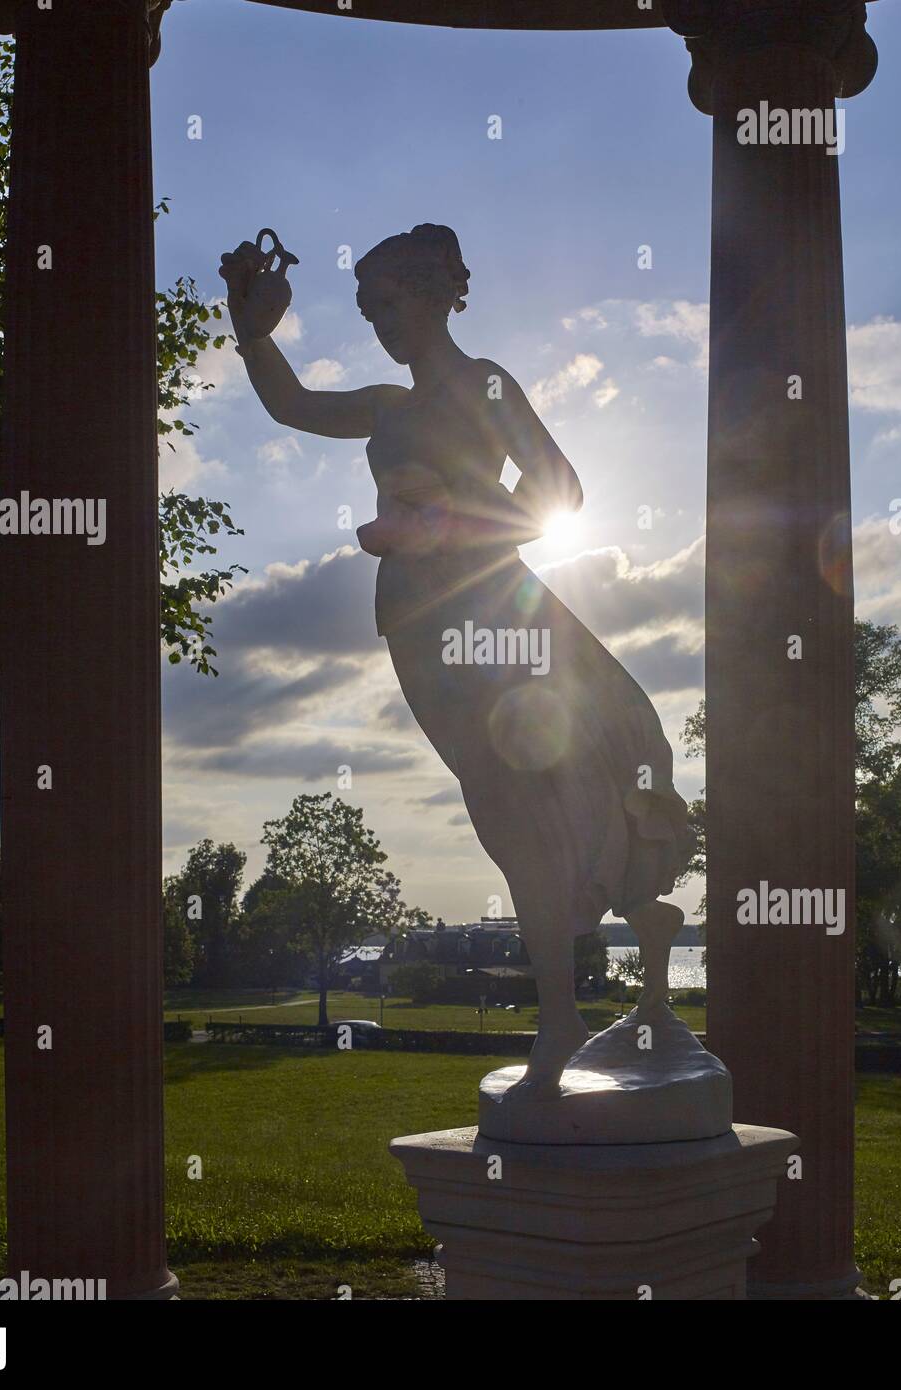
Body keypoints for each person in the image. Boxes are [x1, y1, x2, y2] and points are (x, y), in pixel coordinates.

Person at [220, 223, 692, 1093]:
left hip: (495, 607)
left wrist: (453, 525)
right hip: (420, 625)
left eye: (388, 303)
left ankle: (585, 989)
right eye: (367, 312)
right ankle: (570, 1006)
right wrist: (253, 332)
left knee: (574, 771)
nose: (379, 326)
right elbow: (290, 407)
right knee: (505, 808)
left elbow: (558, 490)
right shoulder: (383, 406)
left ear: (437, 292)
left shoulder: (485, 384)